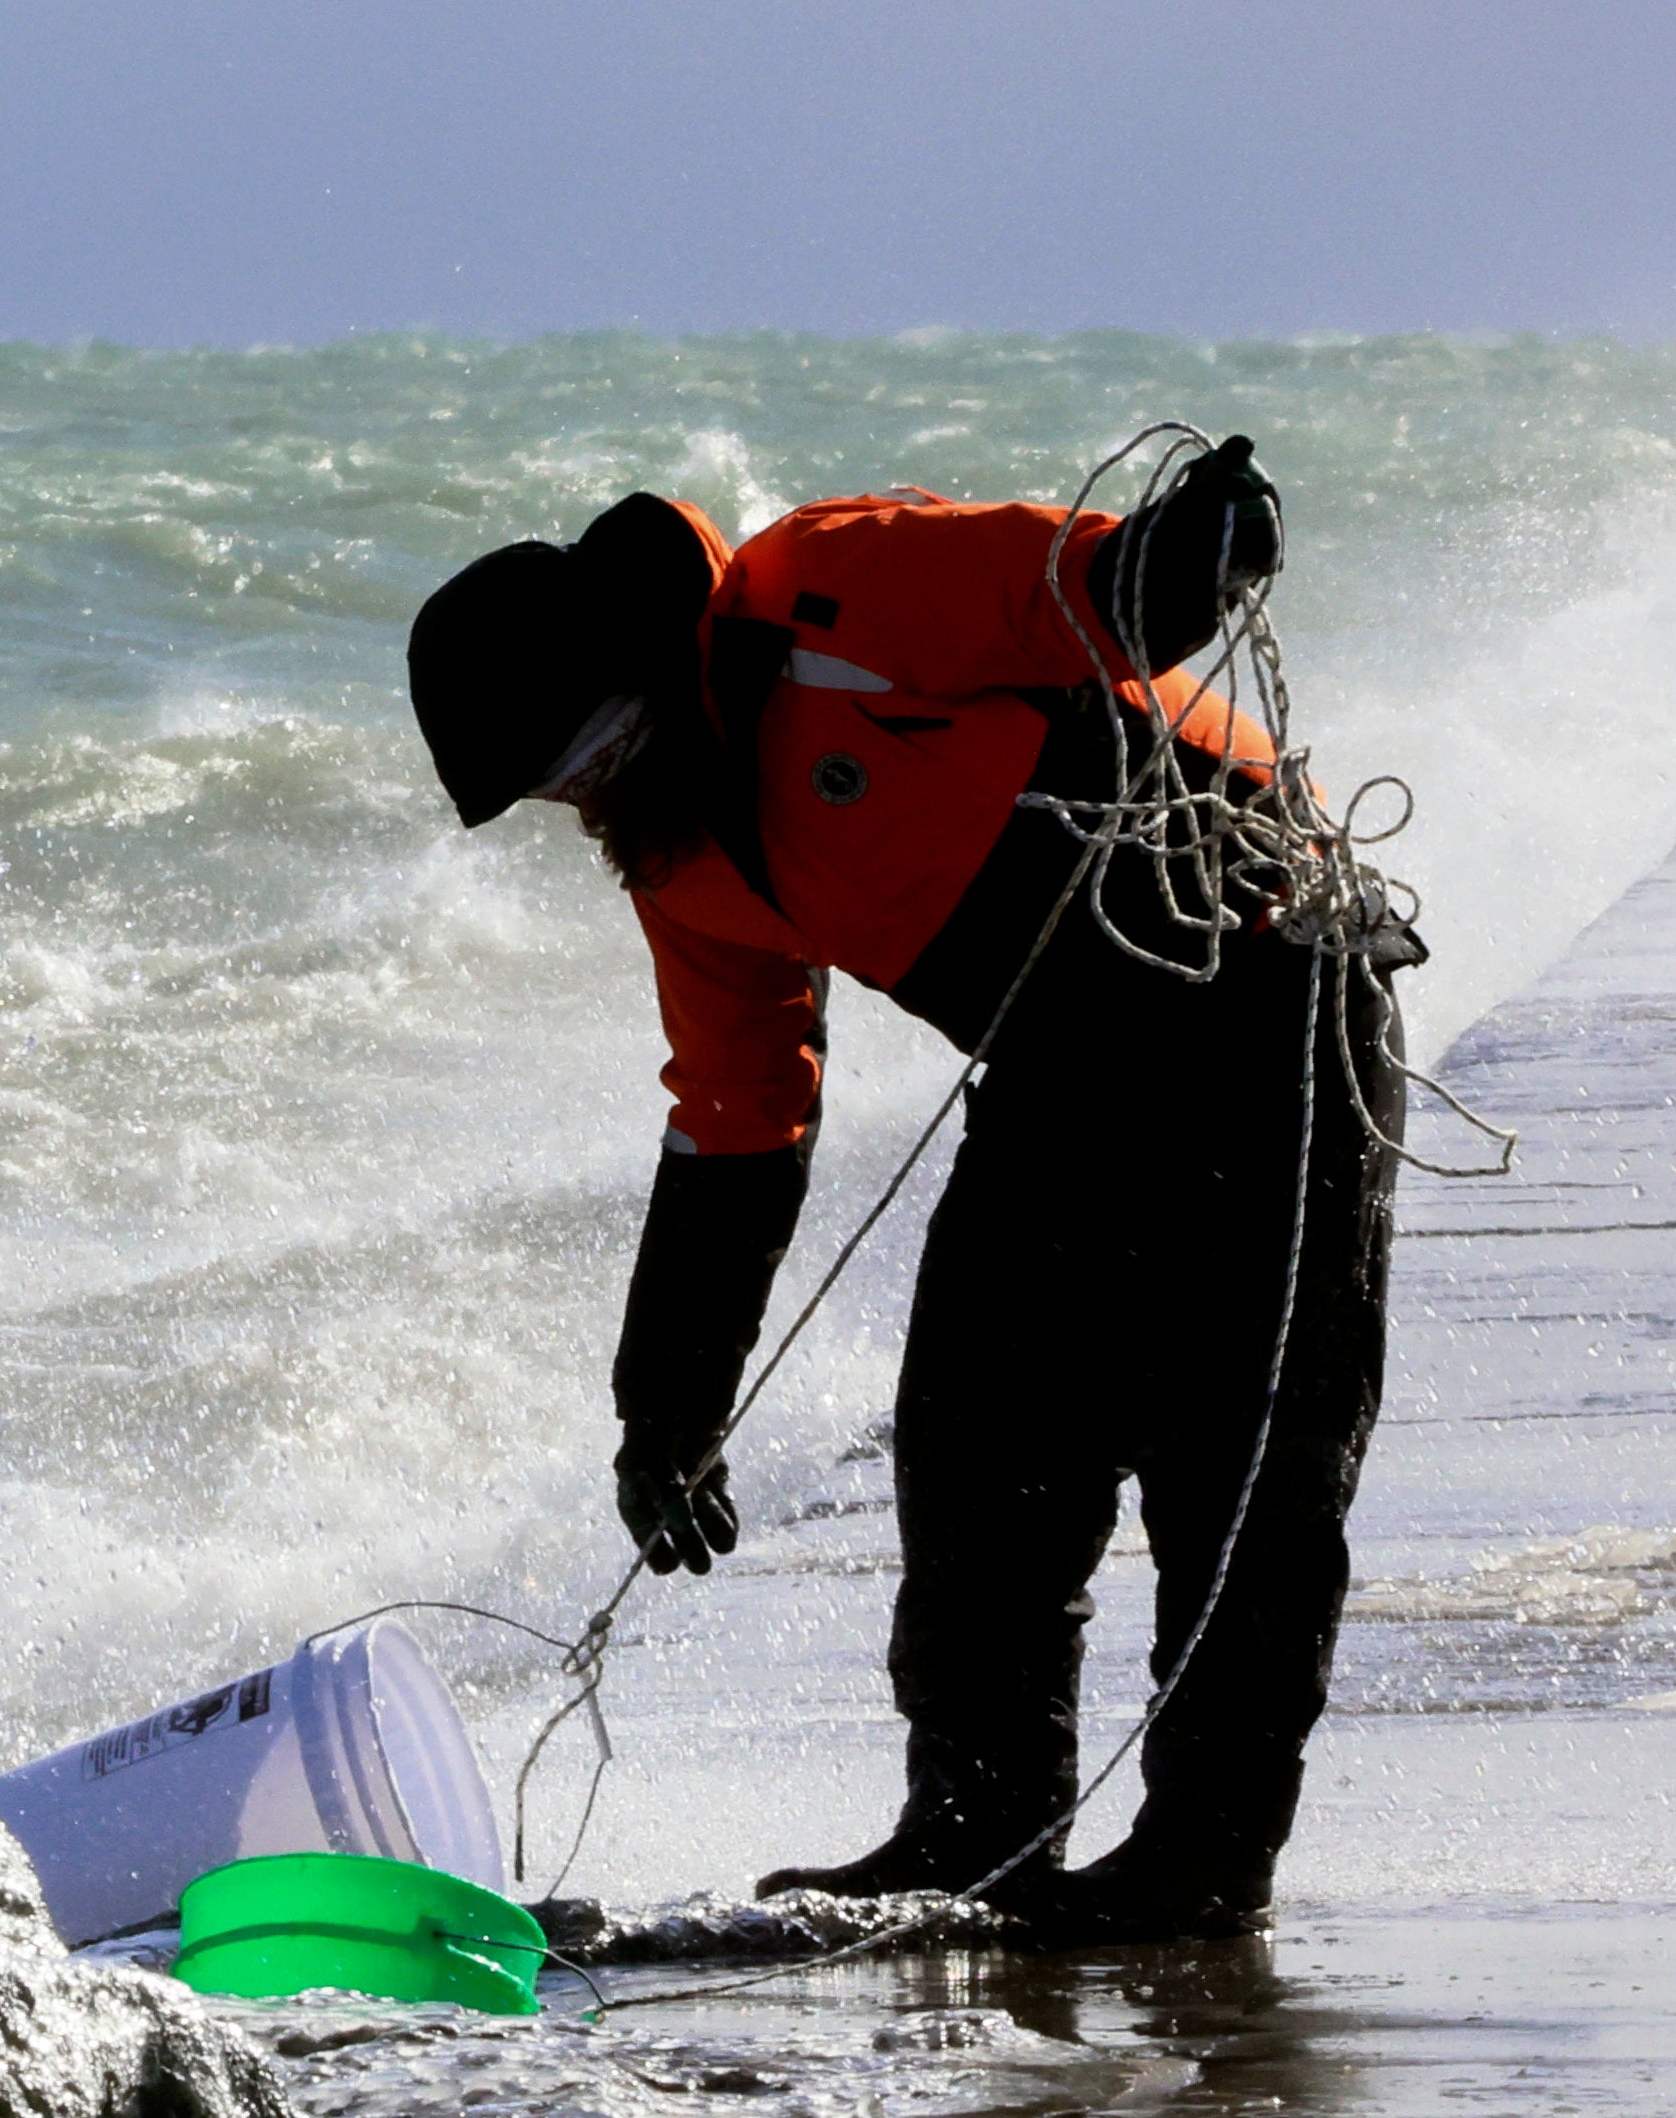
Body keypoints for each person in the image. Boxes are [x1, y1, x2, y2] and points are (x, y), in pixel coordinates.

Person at [406, 439, 1403, 1944]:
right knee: (973, 1452)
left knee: (1234, 1472)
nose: (589, 793)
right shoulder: (676, 860)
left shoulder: (835, 584)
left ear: (653, 666)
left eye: (598, 748)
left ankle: (1197, 1864)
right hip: (1056, 1076)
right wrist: (663, 1409)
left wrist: (1191, 550)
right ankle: (972, 1836)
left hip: (1262, 1001)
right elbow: (735, 1119)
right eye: (554, 787)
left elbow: (1082, 586)